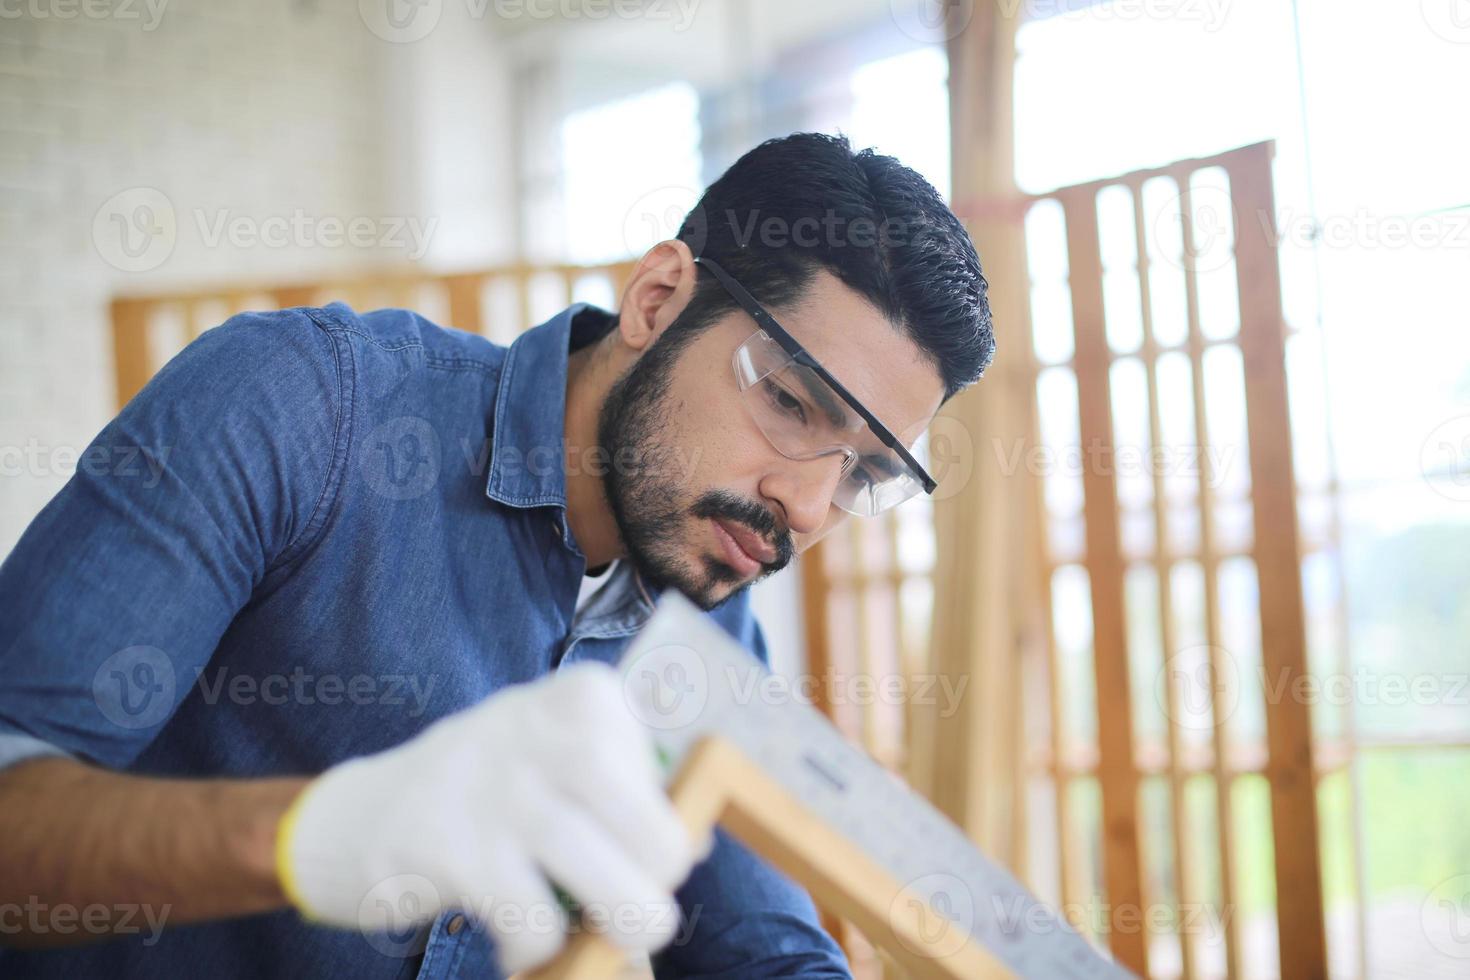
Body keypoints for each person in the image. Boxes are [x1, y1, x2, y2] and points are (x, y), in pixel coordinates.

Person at [0, 132, 994, 978]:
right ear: (656, 300)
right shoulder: (306, 405)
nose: (809, 506)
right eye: (788, 400)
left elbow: (764, 952)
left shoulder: (709, 604)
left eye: (864, 472)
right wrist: (322, 832)